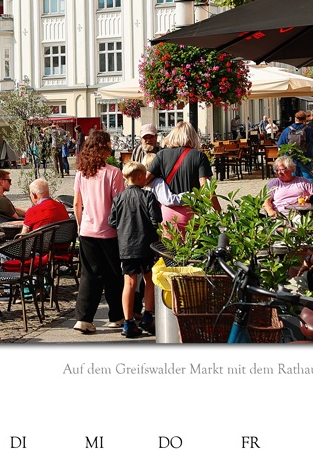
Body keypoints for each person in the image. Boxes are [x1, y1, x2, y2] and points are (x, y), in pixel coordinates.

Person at [72, 129, 125, 333]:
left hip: (87, 229)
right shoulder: (113, 173)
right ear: (103, 147)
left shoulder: (81, 173)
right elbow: (118, 204)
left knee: (90, 275)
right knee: (114, 274)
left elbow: (78, 203)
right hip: (109, 230)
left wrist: (80, 225)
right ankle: (116, 315)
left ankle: (84, 318)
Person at [109, 160, 162, 337]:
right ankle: (148, 316)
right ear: (140, 177)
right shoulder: (148, 197)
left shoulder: (118, 198)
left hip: (126, 247)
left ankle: (129, 321)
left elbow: (112, 221)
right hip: (146, 245)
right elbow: (156, 220)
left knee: (129, 283)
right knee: (149, 279)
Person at [145, 121, 219, 235]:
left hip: (168, 214)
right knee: (194, 250)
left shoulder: (161, 155)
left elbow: (144, 180)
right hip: (192, 213)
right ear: (193, 136)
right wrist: (219, 212)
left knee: (170, 250)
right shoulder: (199, 156)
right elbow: (207, 190)